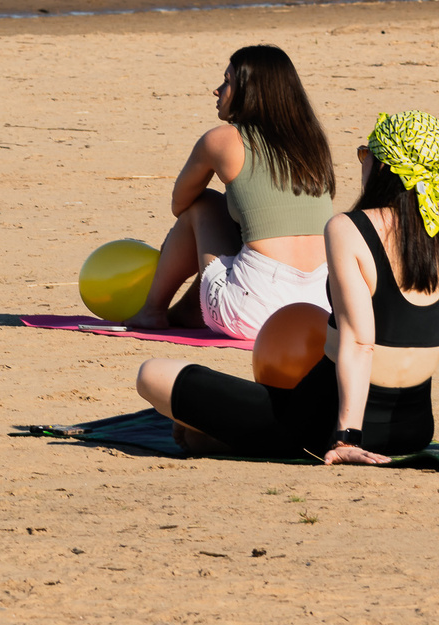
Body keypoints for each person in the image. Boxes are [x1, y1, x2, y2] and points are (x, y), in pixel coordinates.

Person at [138, 112, 439, 462]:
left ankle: (235, 439)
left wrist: (345, 439)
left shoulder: (351, 228)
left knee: (151, 374)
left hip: (319, 426)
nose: (363, 163)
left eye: (365, 154)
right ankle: (226, 439)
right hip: (414, 430)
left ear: (386, 166)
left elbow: (359, 343)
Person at [126, 45, 336, 336]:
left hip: (253, 310)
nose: (217, 90)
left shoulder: (222, 140)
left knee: (203, 205)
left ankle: (152, 310)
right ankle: (189, 311)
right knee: (248, 226)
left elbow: (180, 204)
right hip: (317, 310)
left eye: (227, 81)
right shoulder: (314, 144)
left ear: (250, 92)